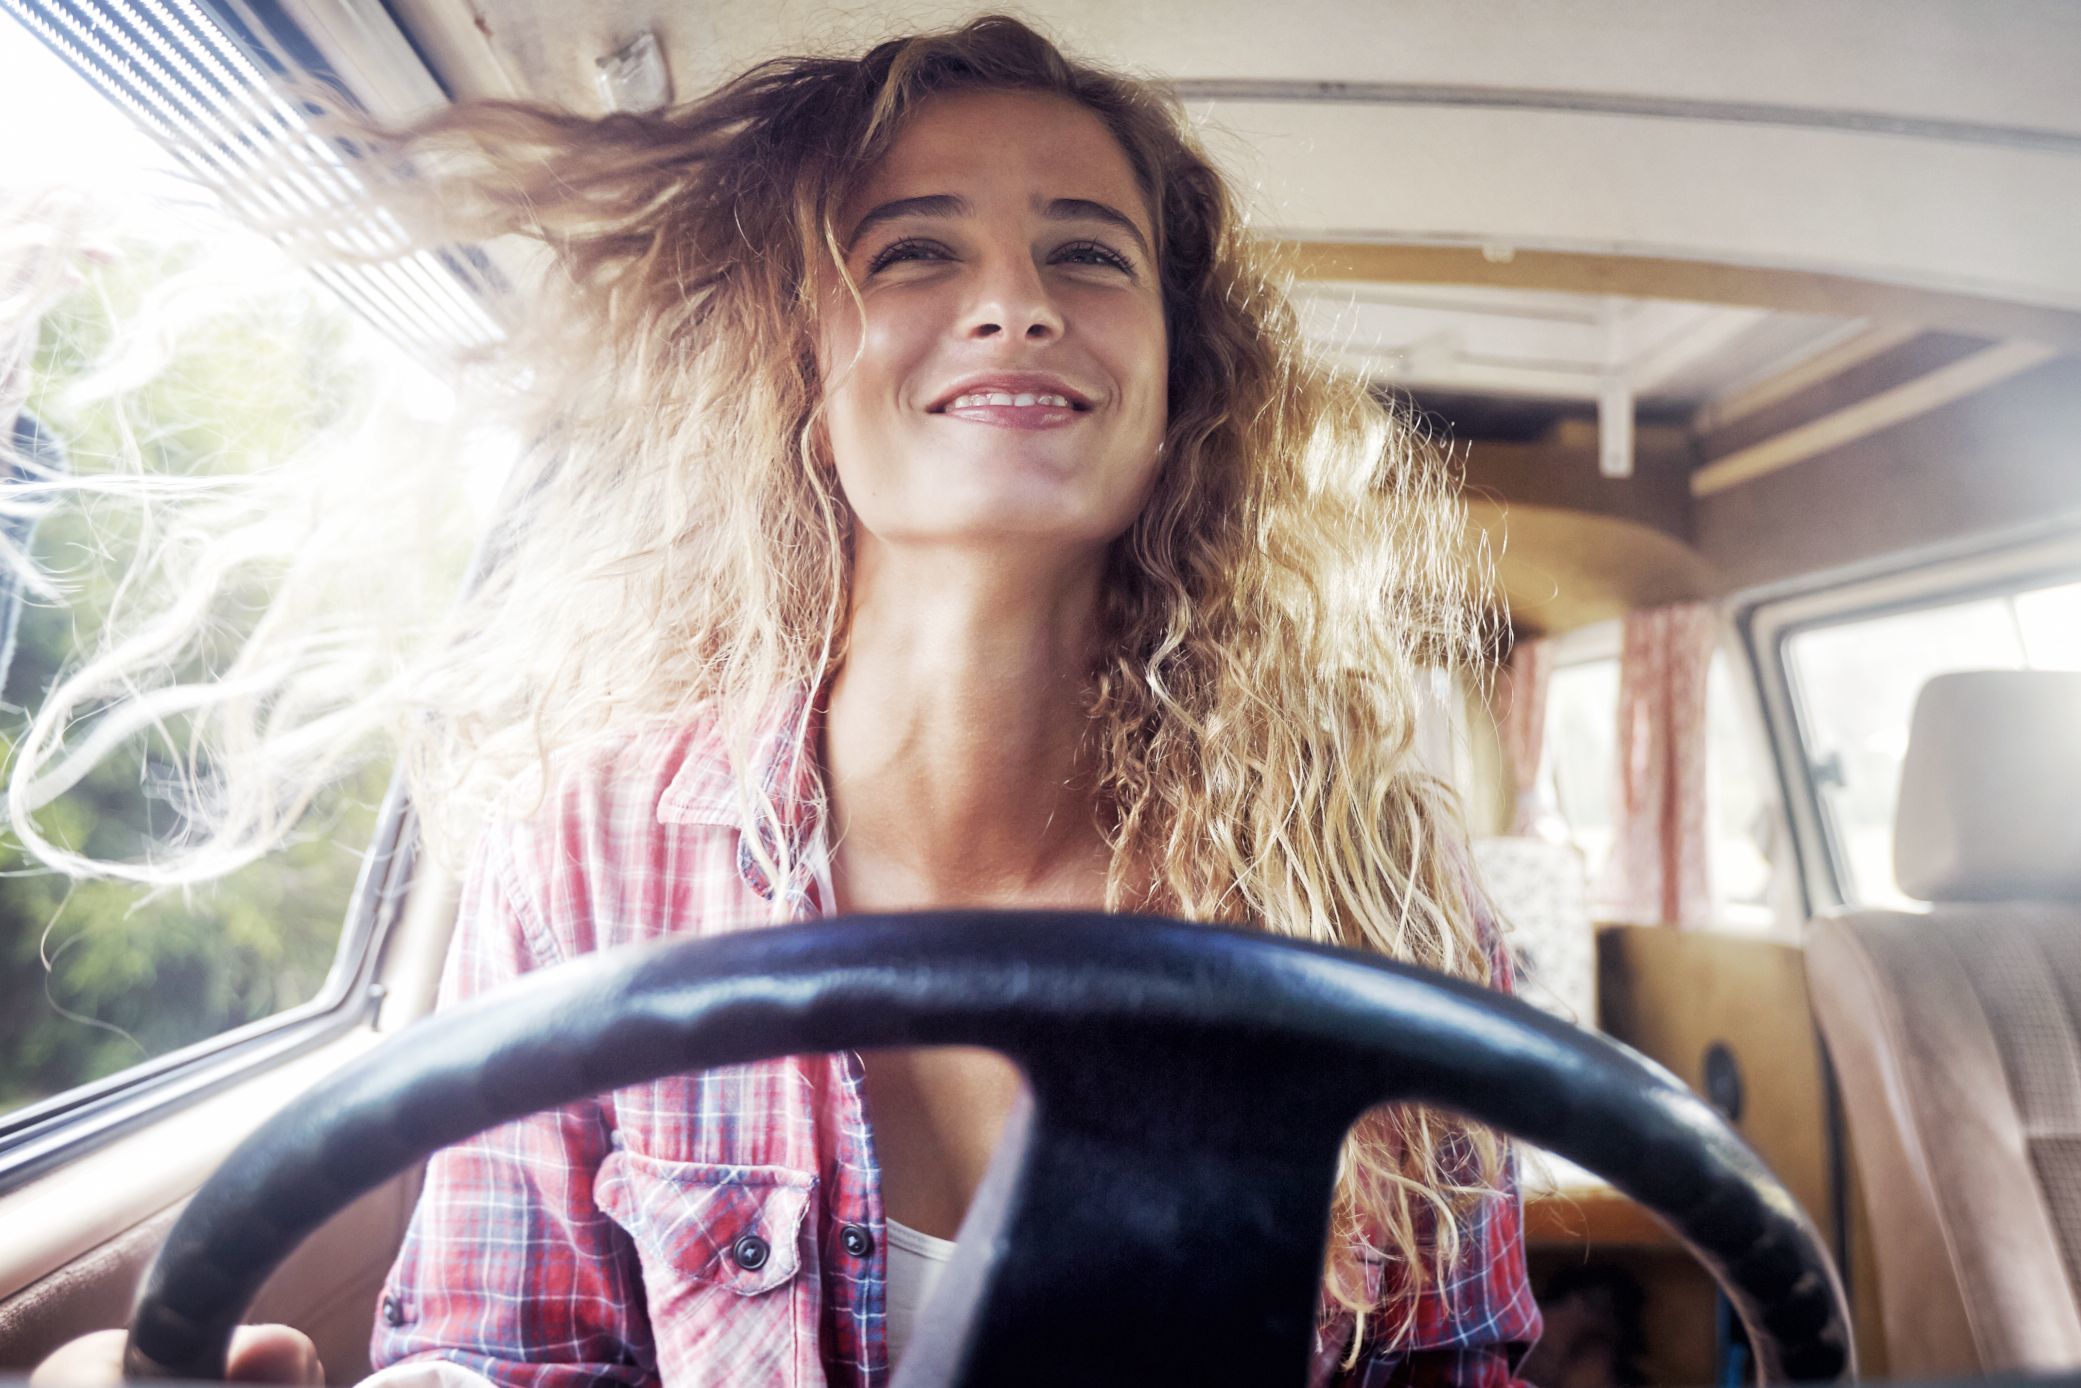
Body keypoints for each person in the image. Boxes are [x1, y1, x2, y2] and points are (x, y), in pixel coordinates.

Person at [32, 15, 1537, 1387]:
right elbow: (512, 1353)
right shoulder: (592, 852)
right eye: (911, 254)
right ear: (800, 367)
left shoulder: (1374, 886)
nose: (1014, 302)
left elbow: (1448, 1371)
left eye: (1088, 255)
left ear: (1179, 379)